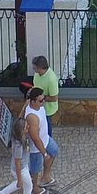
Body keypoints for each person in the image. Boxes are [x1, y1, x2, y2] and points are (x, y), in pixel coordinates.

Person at [0, 87, 47, 194]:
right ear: (21, 130)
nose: (28, 128)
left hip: (24, 166)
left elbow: (19, 120)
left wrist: (24, 107)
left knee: (21, 185)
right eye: (26, 128)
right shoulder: (18, 144)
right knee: (27, 186)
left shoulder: (20, 135)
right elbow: (17, 163)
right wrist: (19, 178)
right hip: (21, 169)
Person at [30, 54, 61, 186]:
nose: (33, 69)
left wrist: (41, 99)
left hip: (47, 111)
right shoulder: (37, 75)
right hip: (39, 109)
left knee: (46, 136)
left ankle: (45, 157)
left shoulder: (51, 79)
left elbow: (54, 98)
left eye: (35, 67)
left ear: (40, 68)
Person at [21, 85, 52, 194]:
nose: (43, 102)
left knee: (54, 151)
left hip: (46, 139)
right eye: (40, 100)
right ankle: (34, 188)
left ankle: (46, 177)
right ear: (33, 102)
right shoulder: (32, 117)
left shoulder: (39, 106)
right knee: (35, 169)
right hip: (36, 148)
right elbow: (35, 138)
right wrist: (44, 153)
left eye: (44, 99)